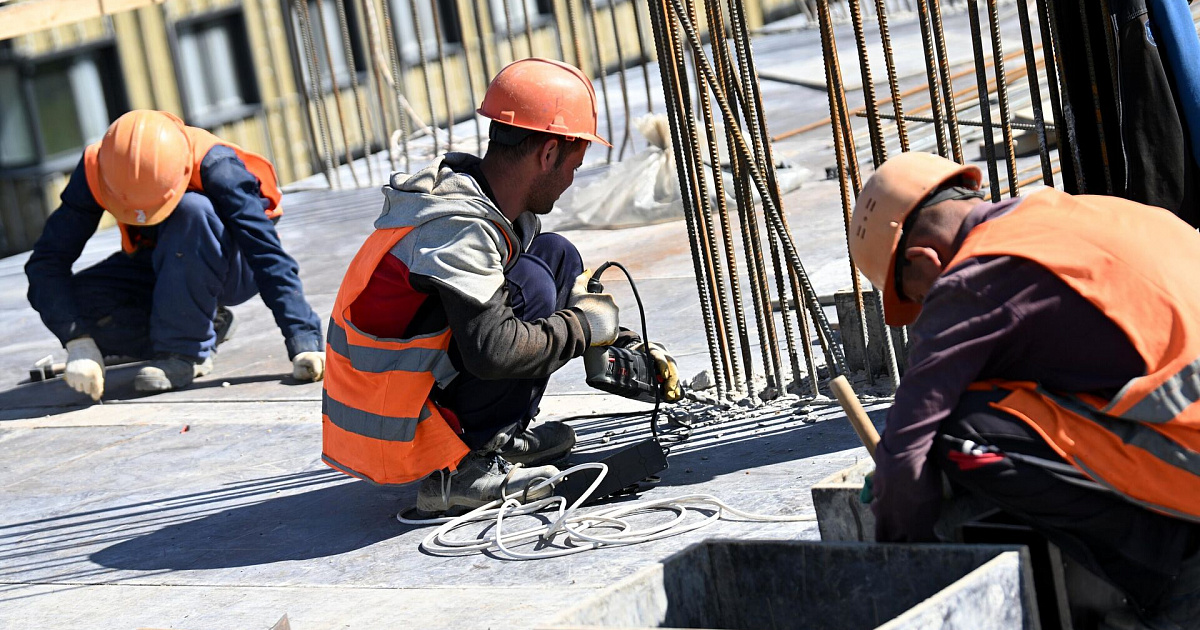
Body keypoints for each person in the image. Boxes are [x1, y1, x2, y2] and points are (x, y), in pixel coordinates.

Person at [849, 151, 1200, 627]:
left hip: (1190, 466)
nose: (926, 312)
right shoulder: (1069, 215)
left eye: (916, 298)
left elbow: (910, 445)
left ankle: (1172, 572)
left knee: (958, 428)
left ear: (924, 260)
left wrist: (901, 561)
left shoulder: (973, 278)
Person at [321, 57, 680, 515]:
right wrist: (583, 330)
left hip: (413, 398)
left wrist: (621, 342)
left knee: (554, 256)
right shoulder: (455, 227)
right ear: (548, 153)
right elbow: (493, 351)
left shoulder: (488, 206)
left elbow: (554, 303)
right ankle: (458, 474)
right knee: (531, 284)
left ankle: (496, 440)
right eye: (574, 164)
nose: (572, 180)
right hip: (390, 429)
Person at [25, 110, 325, 398]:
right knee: (74, 304)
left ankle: (184, 352)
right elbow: (47, 262)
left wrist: (303, 338)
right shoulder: (101, 168)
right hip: (161, 262)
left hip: (233, 265)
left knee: (192, 211)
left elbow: (266, 253)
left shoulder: (218, 166)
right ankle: (207, 324)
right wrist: (78, 341)